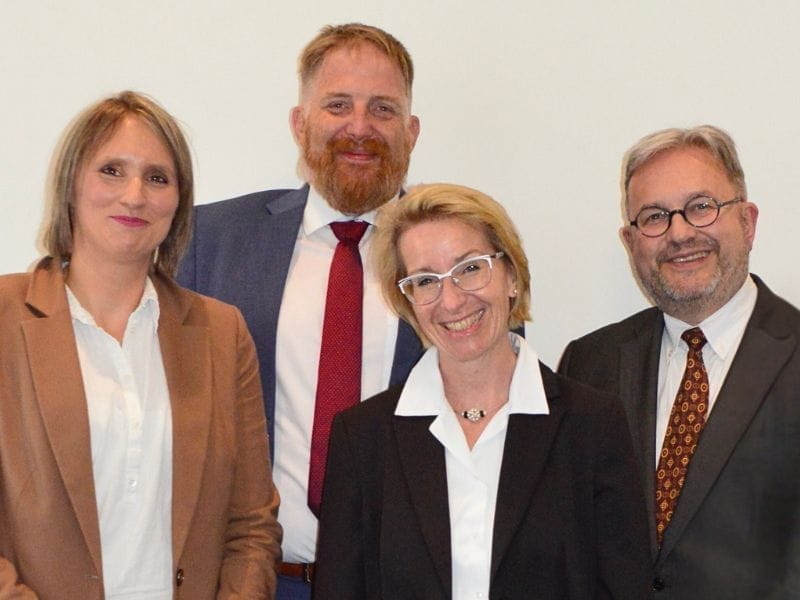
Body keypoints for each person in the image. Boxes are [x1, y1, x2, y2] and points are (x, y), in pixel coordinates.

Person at [0, 91, 281, 599]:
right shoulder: (5, 318)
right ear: (71, 184)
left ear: (178, 201)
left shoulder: (222, 332)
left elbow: (252, 523)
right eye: (111, 170)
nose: (134, 196)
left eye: (157, 178)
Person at [176, 23, 424, 598]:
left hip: (402, 582)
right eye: (338, 105)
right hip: (254, 582)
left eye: (382, 108)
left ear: (411, 131)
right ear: (300, 123)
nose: (359, 126)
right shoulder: (211, 240)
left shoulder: (463, 257)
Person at [313, 183, 651, 599]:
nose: (452, 301)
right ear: (409, 301)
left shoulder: (593, 425)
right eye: (426, 280)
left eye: (470, 268)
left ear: (511, 276)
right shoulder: (362, 438)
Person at [559, 125, 800, 597]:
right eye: (654, 217)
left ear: (748, 222)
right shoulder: (589, 365)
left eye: (701, 207)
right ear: (631, 242)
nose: (680, 233)